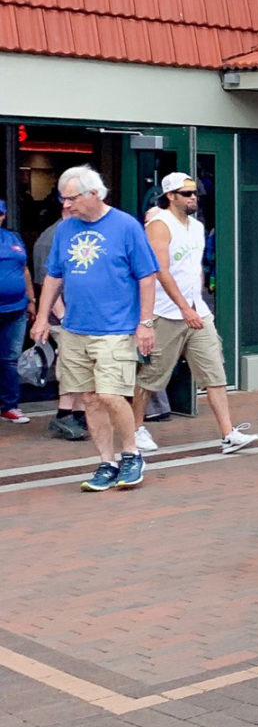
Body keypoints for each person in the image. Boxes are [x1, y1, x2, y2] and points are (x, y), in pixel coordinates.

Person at [30, 167, 157, 493]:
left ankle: (131, 454)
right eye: (64, 198)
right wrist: (43, 317)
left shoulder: (126, 226)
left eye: (72, 198)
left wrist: (145, 323)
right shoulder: (65, 230)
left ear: (94, 194)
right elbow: (54, 275)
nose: (67, 205)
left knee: (110, 394)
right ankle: (106, 462)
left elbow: (147, 276)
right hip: (75, 329)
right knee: (89, 397)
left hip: (115, 329)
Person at [131, 174, 257, 456]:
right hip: (165, 312)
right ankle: (135, 428)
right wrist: (184, 308)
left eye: (194, 193)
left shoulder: (198, 227)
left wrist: (195, 300)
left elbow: (194, 266)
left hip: (197, 311)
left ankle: (228, 433)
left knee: (214, 371)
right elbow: (160, 271)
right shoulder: (159, 225)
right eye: (186, 193)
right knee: (151, 376)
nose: (193, 198)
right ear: (171, 196)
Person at [32, 205, 86, 440]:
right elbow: (48, 284)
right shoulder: (51, 239)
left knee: (81, 365)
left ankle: (79, 414)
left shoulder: (74, 234)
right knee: (70, 365)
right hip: (63, 318)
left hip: (79, 317)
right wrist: (63, 317)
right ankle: (64, 416)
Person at [0, 201, 35, 426]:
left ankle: (9, 406)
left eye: (0, 213)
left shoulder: (13, 238)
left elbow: (24, 269)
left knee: (10, 360)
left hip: (16, 307)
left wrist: (31, 300)